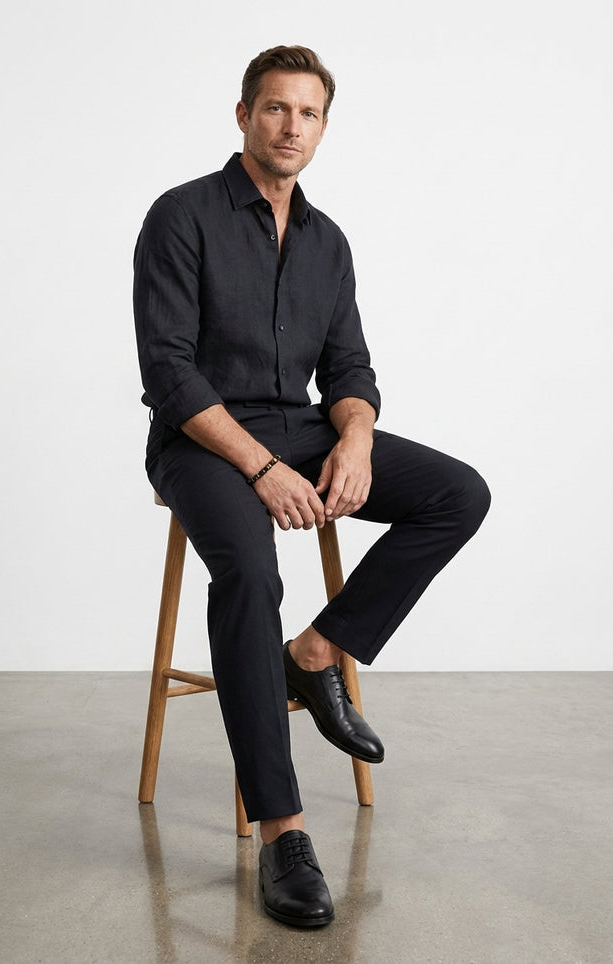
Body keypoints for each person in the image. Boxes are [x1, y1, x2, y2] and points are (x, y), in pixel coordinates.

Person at [133, 44, 490, 928]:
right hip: (200, 439)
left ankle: (319, 652)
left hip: (300, 426)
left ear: (324, 127)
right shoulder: (181, 216)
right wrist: (259, 467)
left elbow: (351, 368)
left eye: (309, 113)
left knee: (459, 493)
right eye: (275, 108)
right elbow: (168, 373)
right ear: (244, 115)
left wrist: (355, 439)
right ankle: (283, 830)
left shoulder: (328, 241)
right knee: (251, 572)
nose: (291, 127)